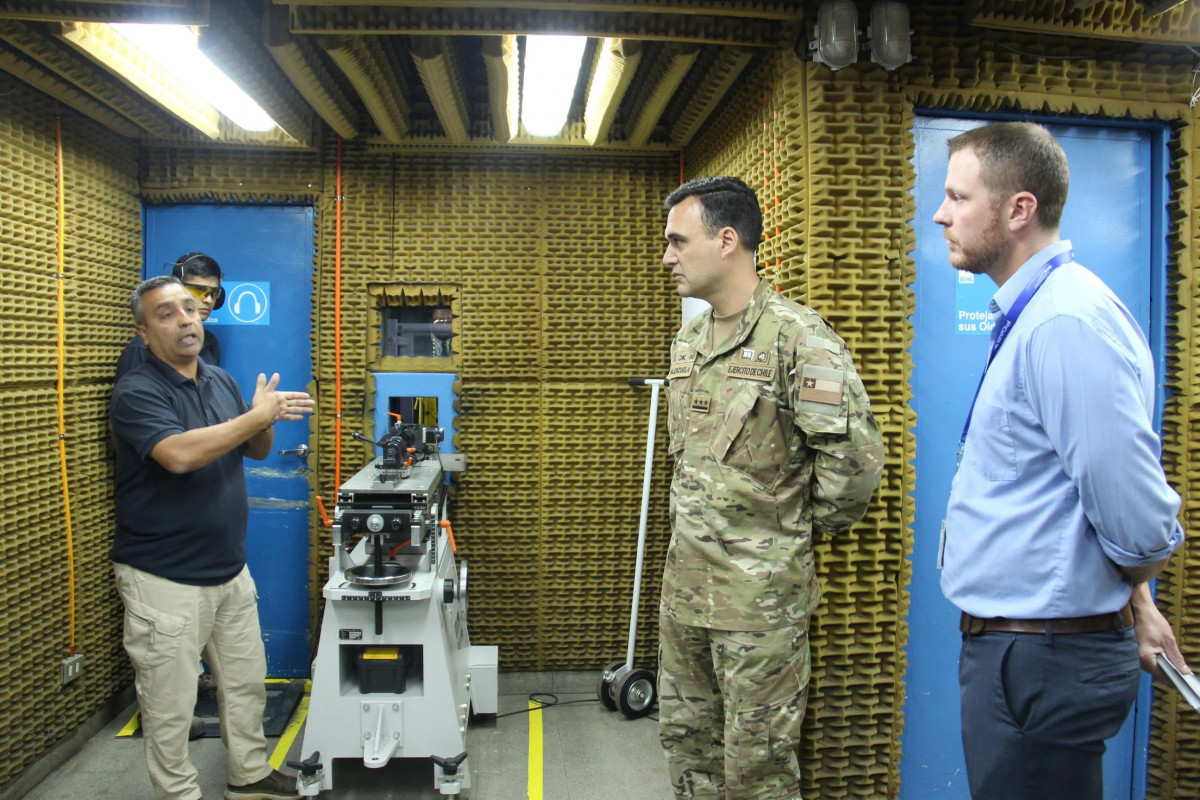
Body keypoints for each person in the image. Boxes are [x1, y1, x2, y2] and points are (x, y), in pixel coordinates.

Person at [934, 121, 1191, 800]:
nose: (940, 213)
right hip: (1034, 649)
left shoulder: (1064, 324)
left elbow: (1137, 519)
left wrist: (1130, 587)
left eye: (958, 196)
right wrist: (1135, 600)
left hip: (1044, 657)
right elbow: (1075, 495)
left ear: (1019, 209)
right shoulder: (1039, 311)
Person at [657, 176, 884, 799]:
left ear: (726, 240)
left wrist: (783, 534)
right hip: (685, 599)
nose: (667, 256)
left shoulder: (798, 340)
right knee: (688, 749)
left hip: (759, 612)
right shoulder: (690, 341)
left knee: (758, 772)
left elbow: (855, 465)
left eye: (679, 241)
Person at [109, 275, 313, 800]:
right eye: (167, 314)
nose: (185, 320)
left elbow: (257, 451)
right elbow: (178, 455)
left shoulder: (219, 380)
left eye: (190, 310)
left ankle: (248, 776)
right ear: (143, 332)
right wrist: (253, 418)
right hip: (165, 577)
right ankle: (179, 793)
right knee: (169, 703)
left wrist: (263, 420)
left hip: (228, 569)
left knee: (246, 685)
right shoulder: (137, 392)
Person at [116, 252, 224, 380]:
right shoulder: (142, 349)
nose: (208, 299)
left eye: (214, 292)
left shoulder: (209, 343)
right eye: (199, 290)